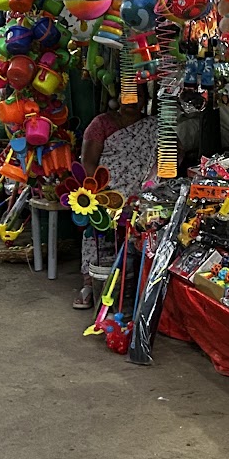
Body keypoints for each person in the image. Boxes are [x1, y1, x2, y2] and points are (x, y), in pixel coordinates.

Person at [72, 92, 158, 308]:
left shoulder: (154, 126)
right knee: (98, 238)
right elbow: (88, 162)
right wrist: (103, 192)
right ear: (118, 98)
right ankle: (90, 285)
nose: (132, 102)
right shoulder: (101, 123)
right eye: (127, 96)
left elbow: (173, 155)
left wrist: (149, 186)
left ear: (145, 100)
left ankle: (129, 291)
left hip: (141, 195)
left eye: (138, 97)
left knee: (136, 242)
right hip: (106, 192)